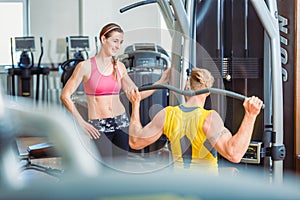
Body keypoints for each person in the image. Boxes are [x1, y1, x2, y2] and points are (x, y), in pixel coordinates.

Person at [60, 23, 170, 163]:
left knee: (121, 168)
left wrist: (161, 81)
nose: (118, 46)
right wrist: (81, 122)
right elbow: (65, 96)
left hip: (121, 122)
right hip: (99, 126)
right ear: (103, 39)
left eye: (121, 42)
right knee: (104, 170)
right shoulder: (85, 66)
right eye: (115, 41)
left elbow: (137, 95)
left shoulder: (120, 67)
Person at [128, 67, 263, 172]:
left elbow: (135, 142)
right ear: (208, 91)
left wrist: (136, 105)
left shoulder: (167, 115)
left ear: (187, 86)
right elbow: (234, 154)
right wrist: (250, 116)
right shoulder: (209, 118)